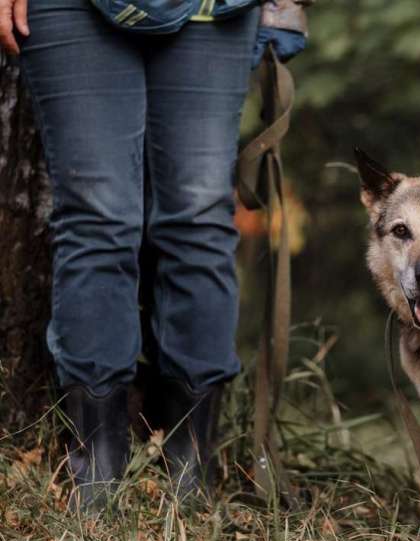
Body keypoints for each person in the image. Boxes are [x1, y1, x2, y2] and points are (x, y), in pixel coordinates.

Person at [0, 0, 307, 509]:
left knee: (200, 222)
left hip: (214, 11)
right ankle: (96, 474)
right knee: (98, 219)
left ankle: (191, 472)